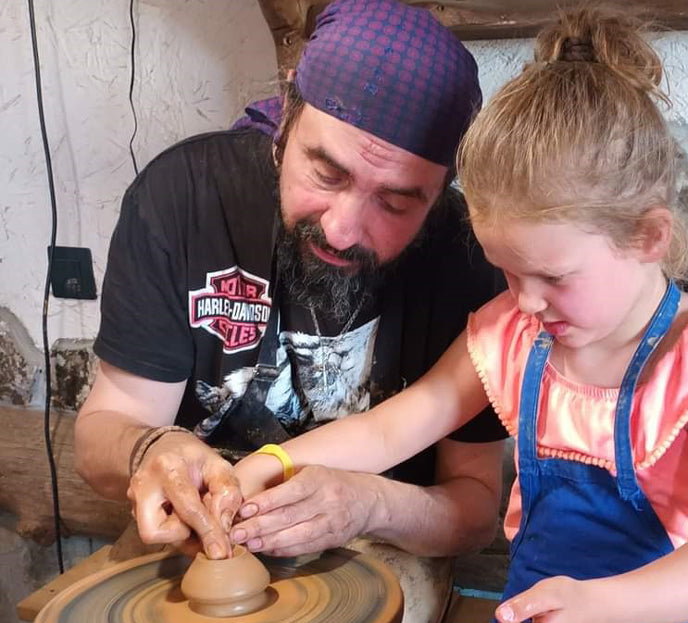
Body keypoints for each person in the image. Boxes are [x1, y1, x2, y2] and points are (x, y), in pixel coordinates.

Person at [232, 6, 688, 623]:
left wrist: (593, 610)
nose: (526, 302)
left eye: (554, 277)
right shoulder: (515, 337)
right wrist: (269, 464)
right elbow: (389, 428)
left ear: (650, 236)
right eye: (507, 271)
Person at [74, 0, 507, 565]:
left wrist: (374, 504)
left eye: (396, 203)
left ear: (439, 193)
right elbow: (104, 430)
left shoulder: (470, 256)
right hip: (206, 554)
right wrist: (148, 447)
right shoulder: (183, 198)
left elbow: (475, 510)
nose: (342, 230)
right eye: (326, 174)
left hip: (382, 559)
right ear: (286, 115)